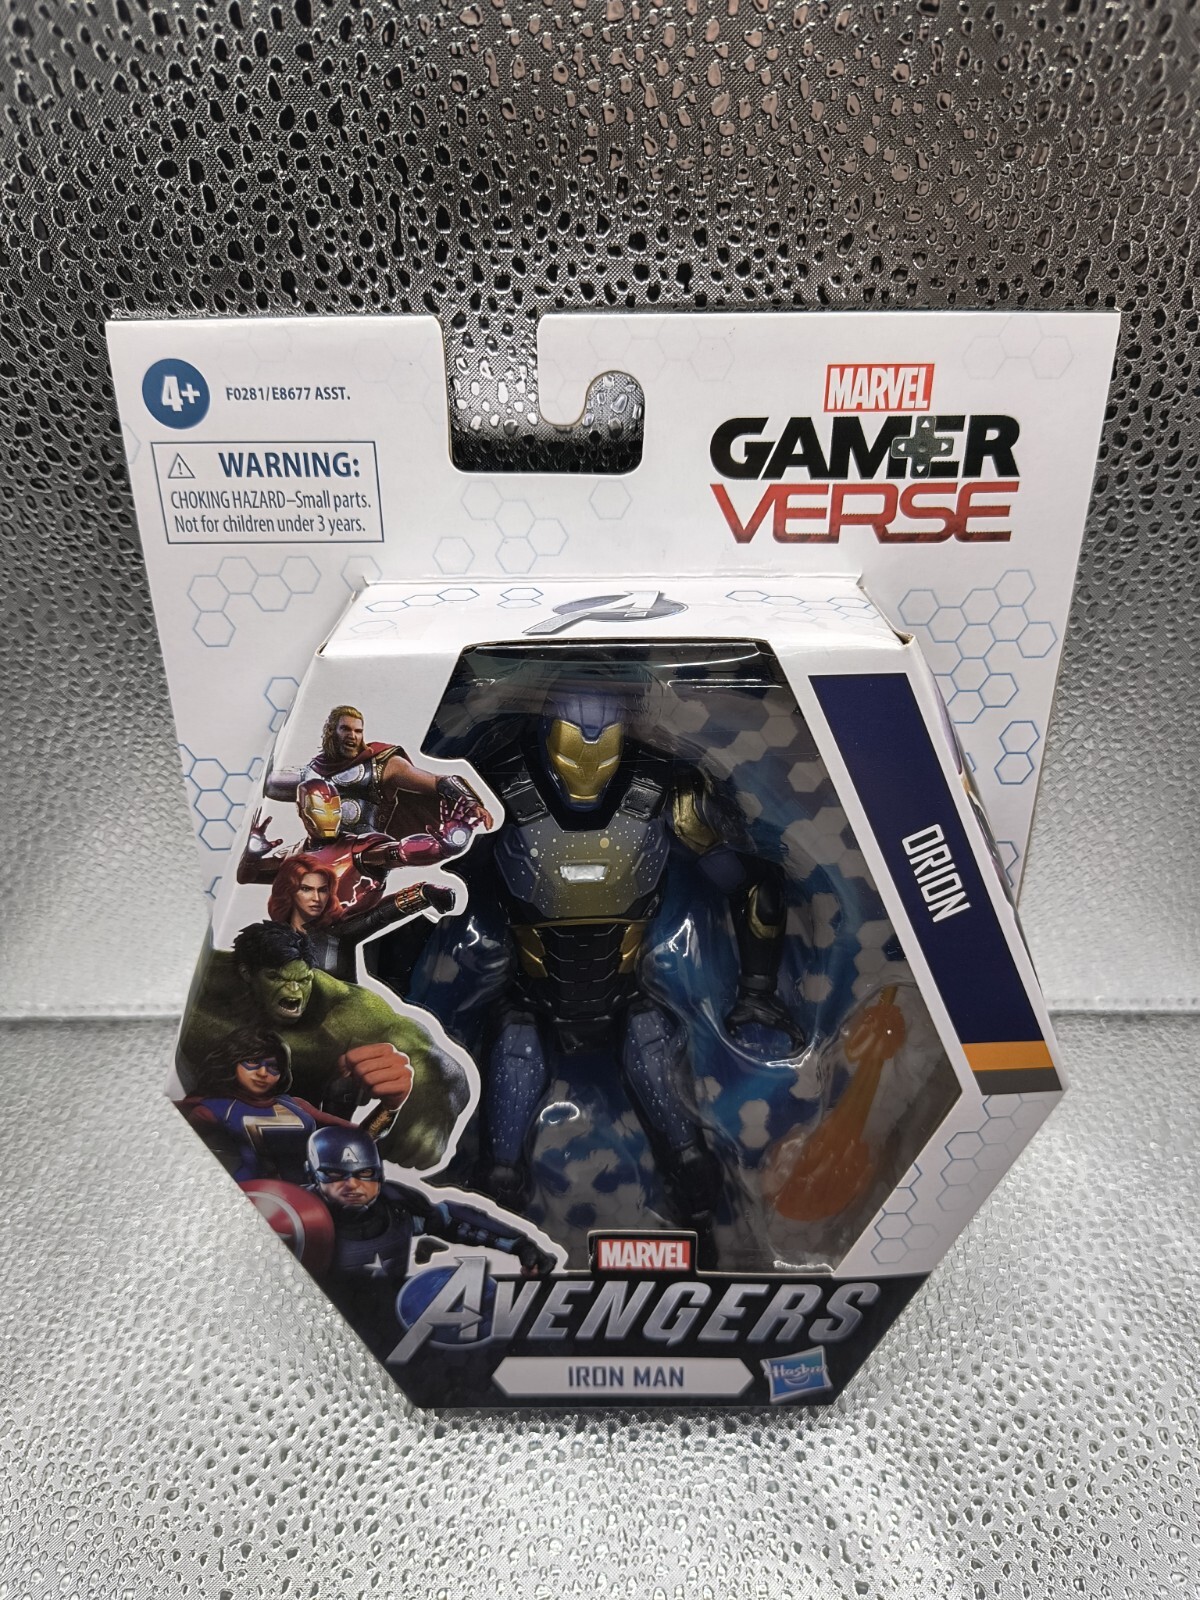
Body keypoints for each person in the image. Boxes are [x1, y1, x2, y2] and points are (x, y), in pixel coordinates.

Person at [177, 922, 469, 1172]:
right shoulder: (202, 979)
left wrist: (421, 1097)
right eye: (276, 977)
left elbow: (359, 1139)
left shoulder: (341, 1012)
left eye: (303, 980)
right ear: (245, 974)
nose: (294, 992)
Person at [175, 1027, 370, 1184]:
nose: (263, 1073)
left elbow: (358, 1132)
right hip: (252, 1192)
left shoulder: (293, 1104)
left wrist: (385, 1111)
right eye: (252, 1062)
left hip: (308, 1190)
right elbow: (180, 1155)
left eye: (273, 1066)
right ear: (232, 1062)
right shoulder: (214, 1109)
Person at [265, 853, 456, 981]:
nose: (317, 898)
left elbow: (378, 916)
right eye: (306, 889)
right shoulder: (267, 941)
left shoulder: (336, 936)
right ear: (288, 892)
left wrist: (423, 893)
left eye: (322, 890)